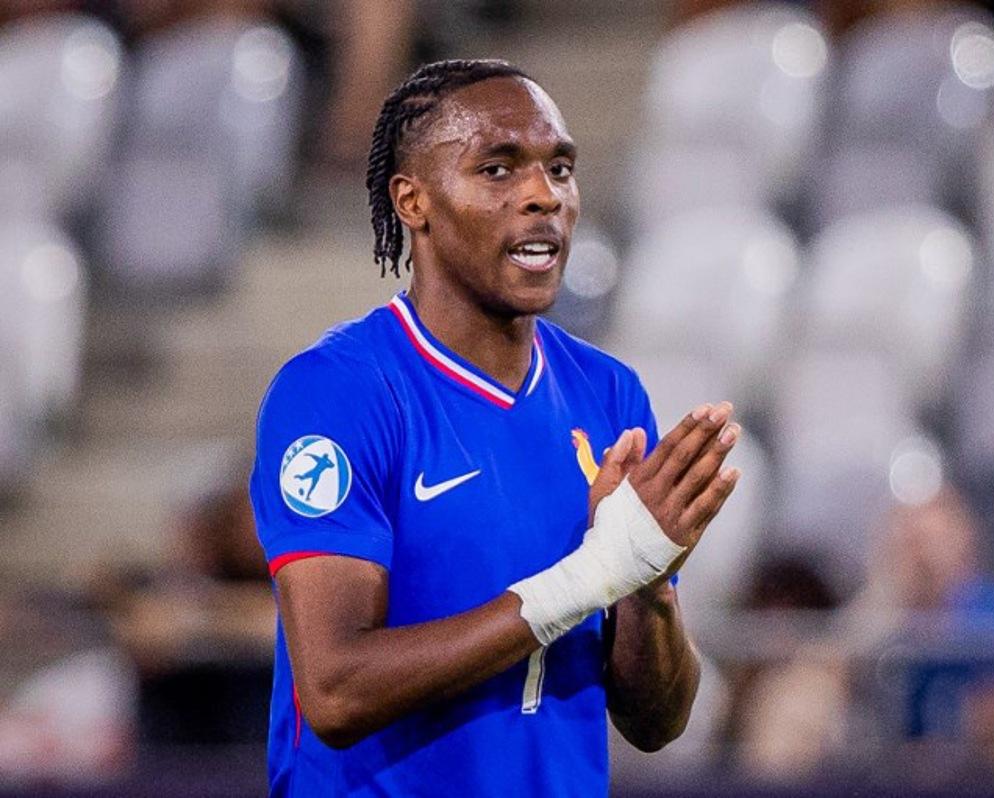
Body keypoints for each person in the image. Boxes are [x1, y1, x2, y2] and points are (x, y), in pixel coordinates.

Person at [248, 59, 742, 796]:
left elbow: (655, 722)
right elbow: (336, 692)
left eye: (560, 169)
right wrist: (590, 577)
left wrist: (648, 582)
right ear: (413, 202)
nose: (544, 196)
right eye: (498, 169)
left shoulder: (608, 394)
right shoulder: (339, 392)